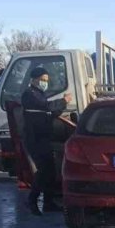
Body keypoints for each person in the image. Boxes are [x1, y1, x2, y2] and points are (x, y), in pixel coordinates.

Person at [20, 65, 71, 215]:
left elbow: (50, 112)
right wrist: (63, 101)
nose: (45, 82)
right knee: (43, 171)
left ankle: (49, 202)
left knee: (50, 171)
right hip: (35, 138)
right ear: (34, 79)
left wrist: (60, 110)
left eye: (46, 80)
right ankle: (32, 200)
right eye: (43, 79)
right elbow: (46, 107)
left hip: (44, 137)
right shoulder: (29, 94)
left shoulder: (40, 94)